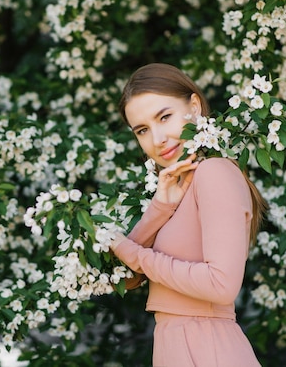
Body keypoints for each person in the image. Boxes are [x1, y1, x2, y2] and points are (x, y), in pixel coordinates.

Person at [110, 63, 267, 366]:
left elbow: (222, 285)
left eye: (164, 117)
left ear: (194, 107)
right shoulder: (178, 188)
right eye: (142, 130)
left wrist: (130, 250)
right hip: (176, 345)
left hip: (207, 347)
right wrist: (160, 207)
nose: (157, 139)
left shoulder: (214, 172)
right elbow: (126, 277)